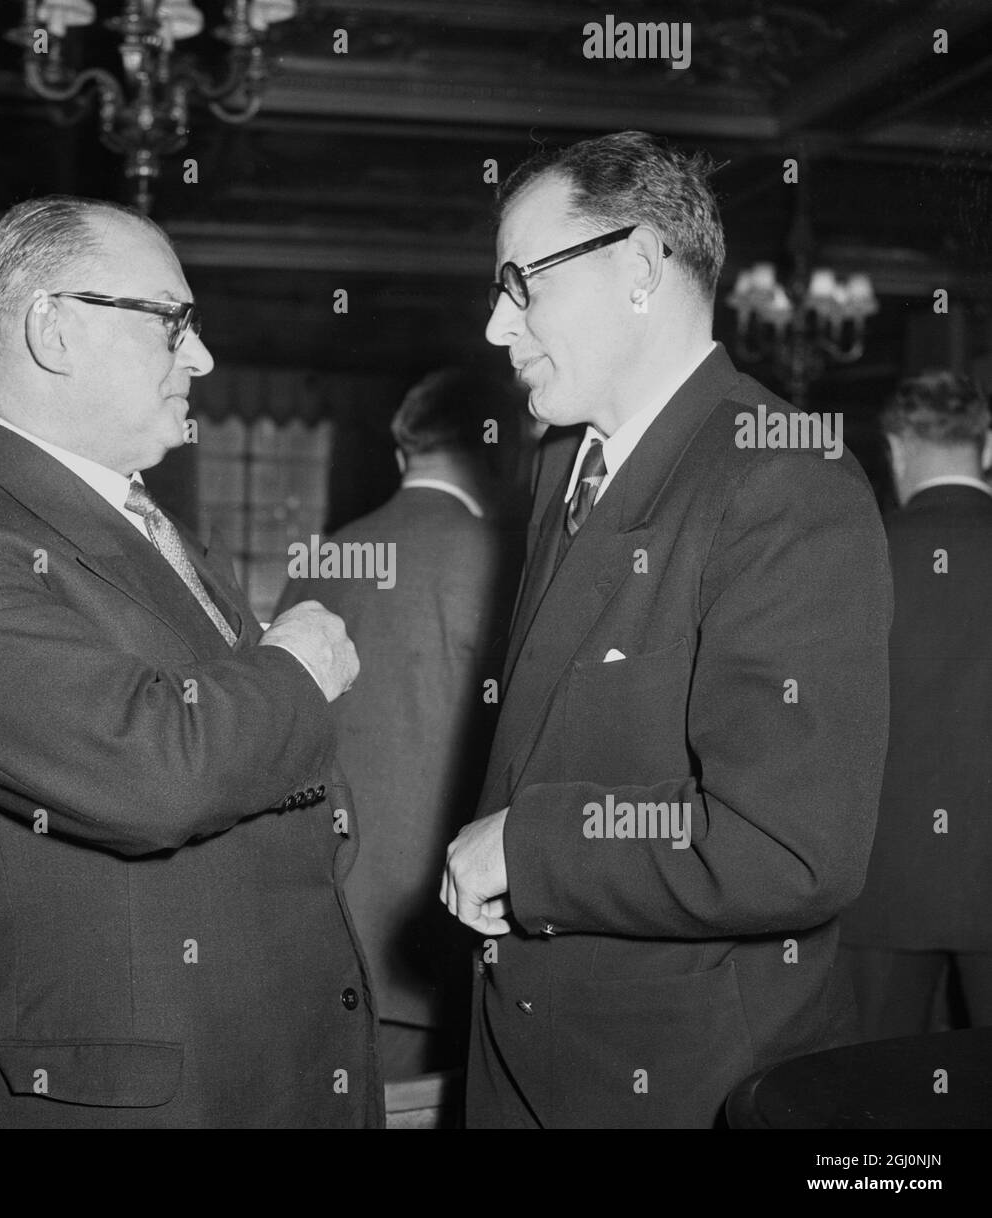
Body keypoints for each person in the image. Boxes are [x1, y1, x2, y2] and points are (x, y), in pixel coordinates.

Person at [0, 196, 380, 1128]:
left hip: (258, 1067)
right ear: (54, 330)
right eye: (173, 321)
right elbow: (154, 774)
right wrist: (295, 665)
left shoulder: (147, 526)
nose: (200, 357)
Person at [440, 131, 892, 1128]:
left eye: (520, 285)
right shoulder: (565, 466)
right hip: (525, 1040)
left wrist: (530, 847)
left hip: (670, 1081)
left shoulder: (782, 481)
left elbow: (787, 846)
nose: (492, 327)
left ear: (639, 268)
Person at [276, 367, 524, 1080]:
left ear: (400, 455)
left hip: (318, 935)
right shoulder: (502, 567)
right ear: (501, 456)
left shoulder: (321, 558)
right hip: (437, 944)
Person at [839, 371, 992, 1038]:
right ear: (985, 446)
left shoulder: (857, 552)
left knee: (870, 1096)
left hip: (884, 881)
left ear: (896, 449)